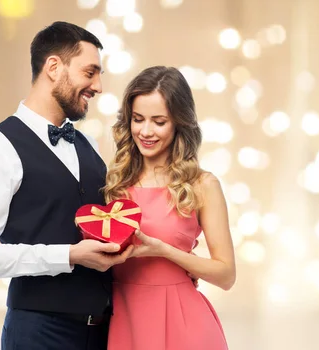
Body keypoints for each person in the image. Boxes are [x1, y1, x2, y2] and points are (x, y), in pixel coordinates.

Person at [0, 21, 133, 350]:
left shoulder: (89, 144)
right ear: (54, 67)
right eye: (90, 72)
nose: (98, 86)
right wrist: (68, 256)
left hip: (104, 332)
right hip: (39, 333)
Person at [103, 66, 236, 350]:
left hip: (184, 325)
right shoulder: (113, 181)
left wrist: (164, 251)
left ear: (179, 123)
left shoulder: (202, 184)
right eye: (138, 119)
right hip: (121, 319)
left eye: (159, 121)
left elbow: (226, 275)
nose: (146, 131)